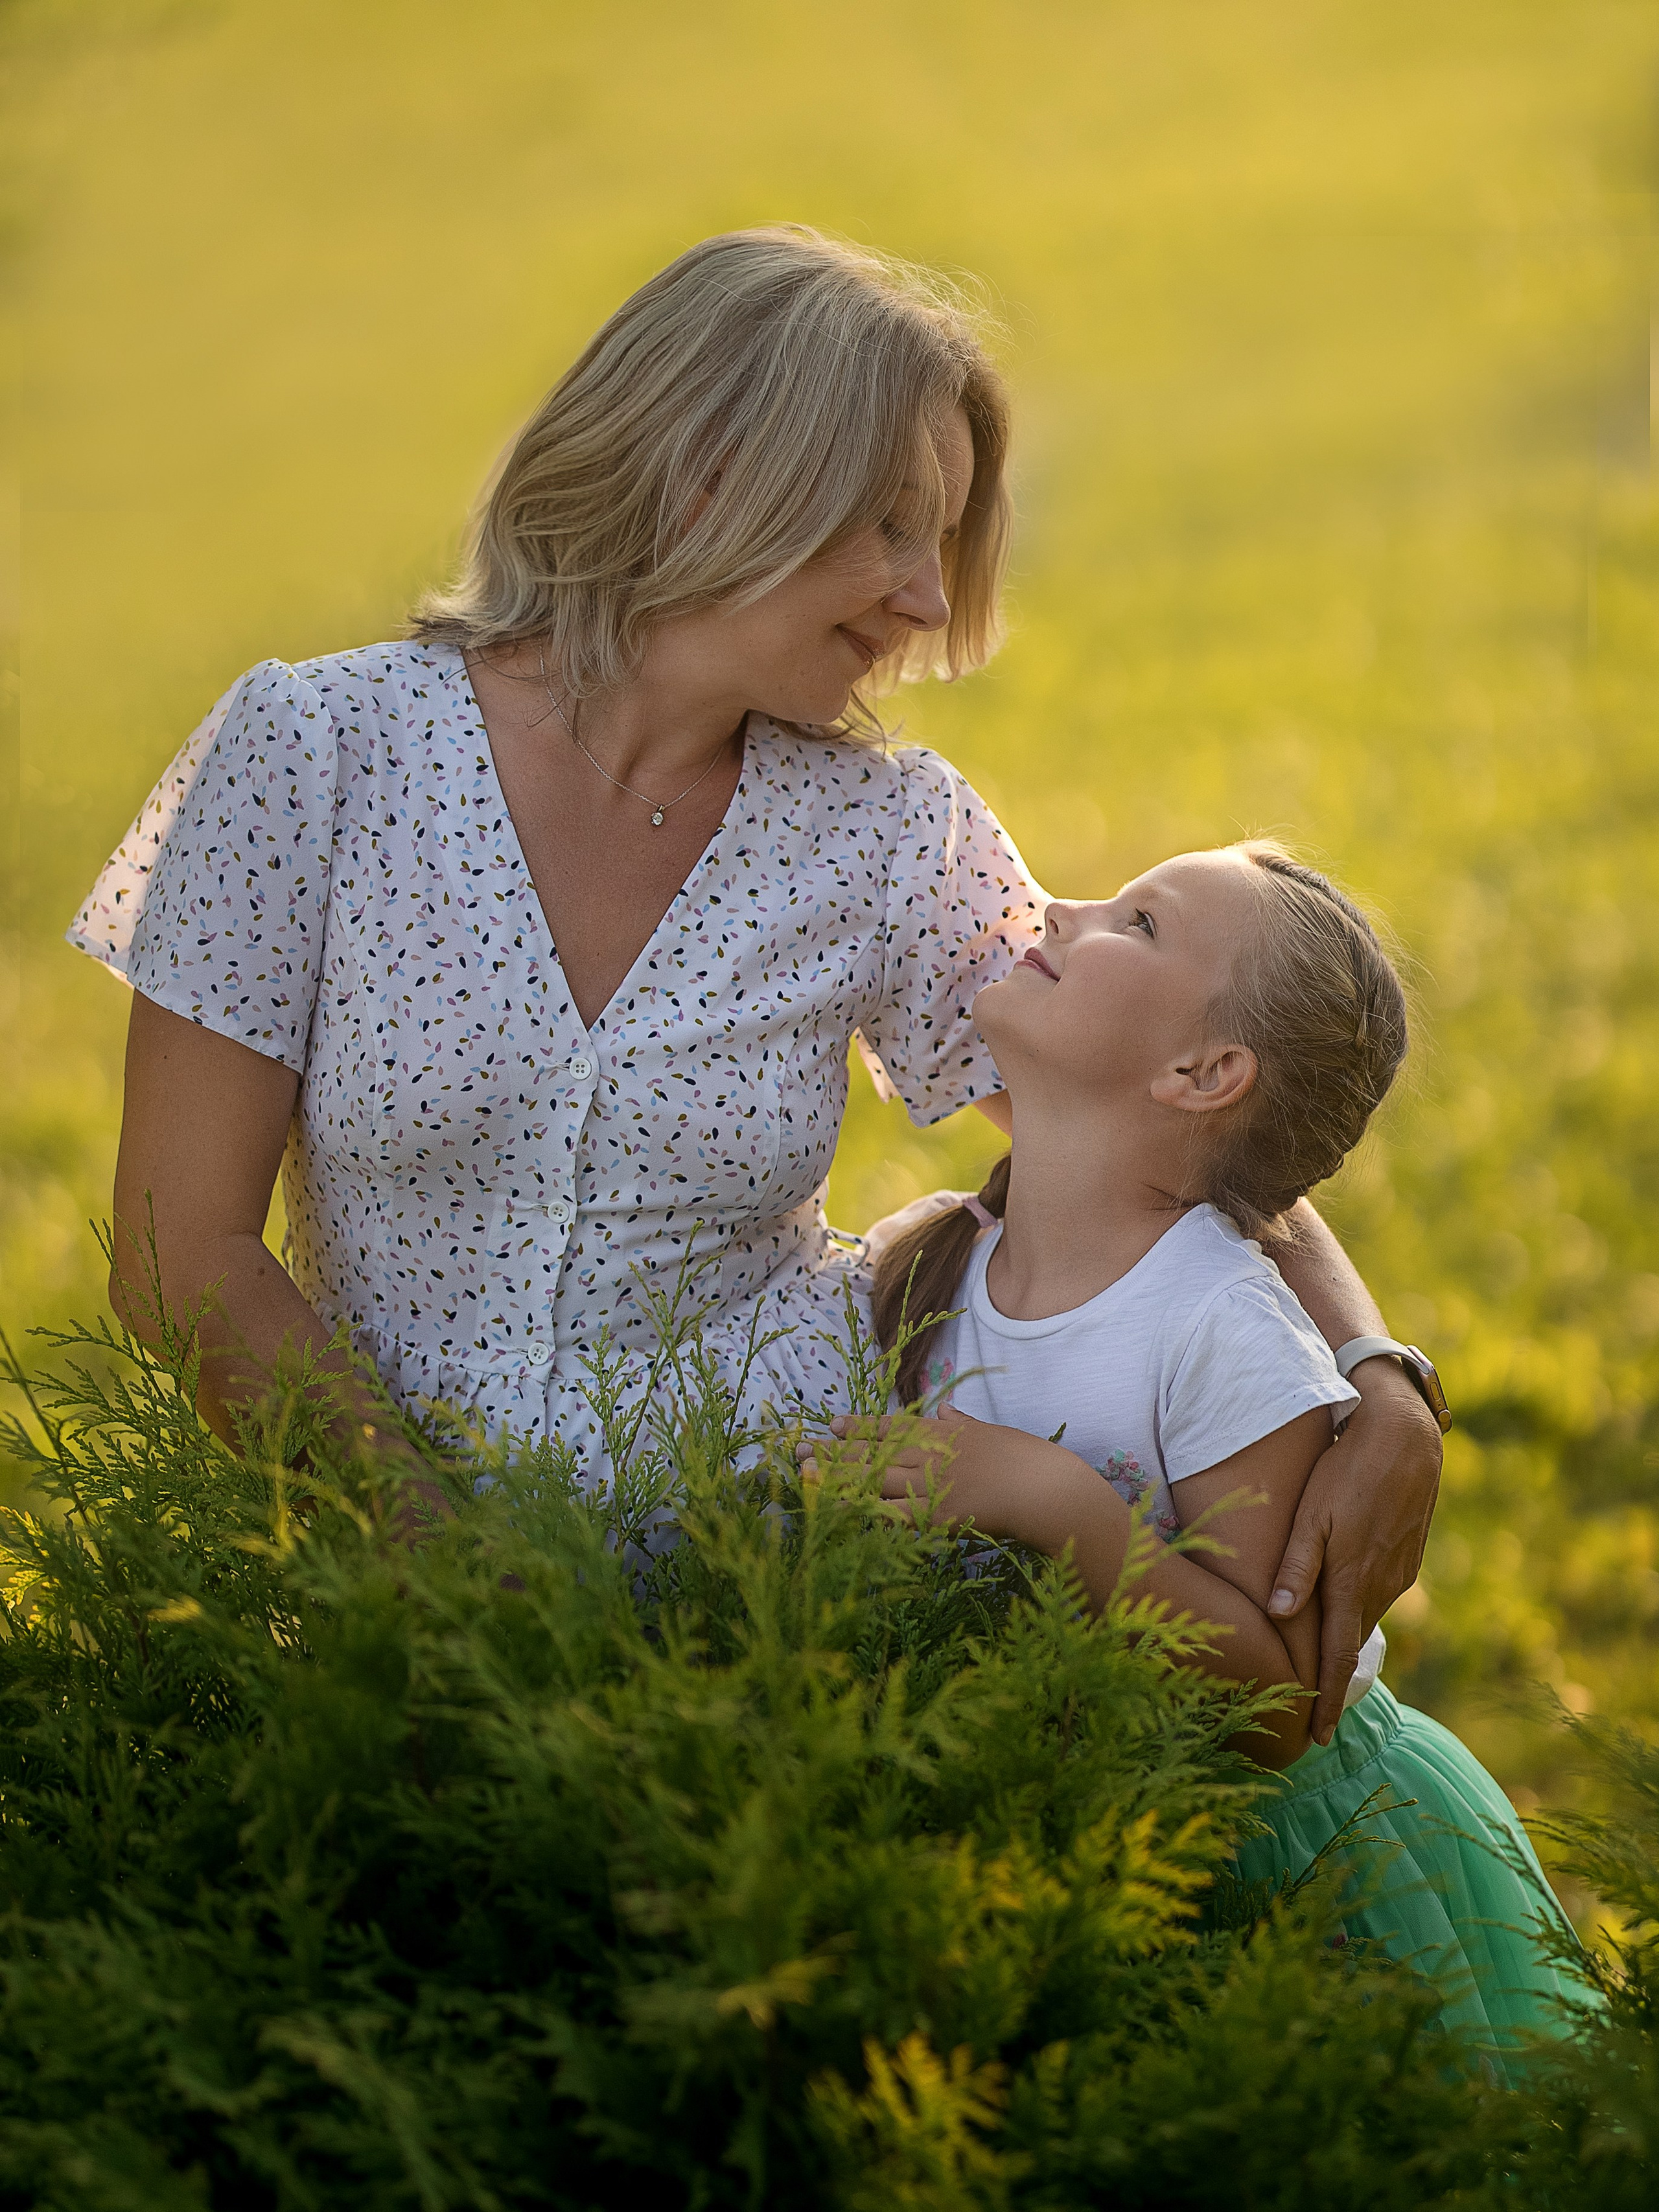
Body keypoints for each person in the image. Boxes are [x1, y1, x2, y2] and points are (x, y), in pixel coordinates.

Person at [70, 225, 1437, 1736]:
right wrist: (436, 1563)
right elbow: (181, 1252)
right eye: (892, 529)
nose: (926, 603)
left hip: (806, 1609)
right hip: (406, 1618)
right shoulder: (312, 758)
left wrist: (1375, 1373)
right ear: (712, 477)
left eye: (939, 542)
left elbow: (1168, 1109)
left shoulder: (886, 835)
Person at [831, 840, 1577, 2056]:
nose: (1056, 908)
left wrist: (1059, 1502)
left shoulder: (1218, 1324)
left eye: (1137, 921)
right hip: (1076, 1826)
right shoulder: (936, 1261)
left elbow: (1280, 1703)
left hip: (1274, 1857)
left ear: (1204, 1073)